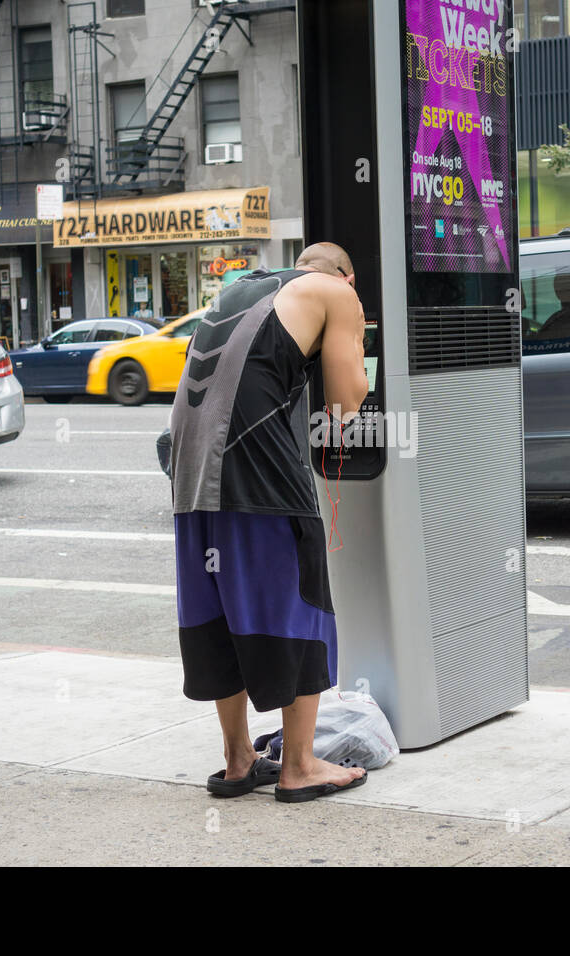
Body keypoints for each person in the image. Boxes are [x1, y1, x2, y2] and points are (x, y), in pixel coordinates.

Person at [169, 241, 369, 803]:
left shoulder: (239, 290)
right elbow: (345, 400)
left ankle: (237, 760)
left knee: (217, 611)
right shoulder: (336, 293)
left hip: (191, 476)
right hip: (261, 479)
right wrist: (357, 345)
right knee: (299, 607)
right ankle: (300, 766)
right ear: (347, 278)